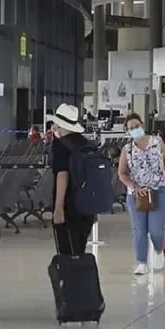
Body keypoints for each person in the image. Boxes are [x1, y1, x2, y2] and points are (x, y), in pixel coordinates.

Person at [117, 113, 165, 275]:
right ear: (127, 131)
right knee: (139, 229)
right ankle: (141, 262)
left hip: (160, 190)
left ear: (142, 125)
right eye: (131, 128)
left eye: (137, 126)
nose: (135, 129)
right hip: (137, 194)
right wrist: (134, 187)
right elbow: (122, 173)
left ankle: (158, 250)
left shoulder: (157, 142)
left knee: (156, 229)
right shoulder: (127, 150)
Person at [48, 104, 96, 256]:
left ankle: (70, 279)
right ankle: (81, 278)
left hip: (69, 206)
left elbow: (62, 175)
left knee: (67, 253)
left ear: (59, 124)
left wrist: (58, 208)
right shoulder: (86, 144)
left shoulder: (61, 145)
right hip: (87, 207)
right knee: (79, 251)